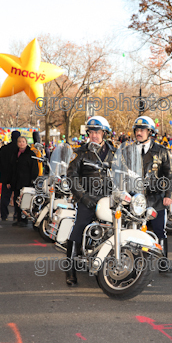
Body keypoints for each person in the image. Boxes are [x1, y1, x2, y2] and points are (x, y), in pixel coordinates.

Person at [65, 116, 116, 286]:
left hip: (110, 199)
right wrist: (82, 196)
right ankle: (70, 268)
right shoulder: (80, 153)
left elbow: (125, 174)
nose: (94, 135)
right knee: (79, 228)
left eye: (98, 132)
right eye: (91, 132)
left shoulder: (115, 153)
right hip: (88, 198)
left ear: (104, 133)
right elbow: (71, 176)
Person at [132, 116, 172, 273]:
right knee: (134, 230)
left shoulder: (161, 151)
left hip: (156, 198)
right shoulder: (129, 150)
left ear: (150, 132)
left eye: (142, 130)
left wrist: (168, 195)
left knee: (159, 231)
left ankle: (163, 262)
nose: (139, 132)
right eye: (137, 130)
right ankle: (136, 264)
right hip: (135, 199)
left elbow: (169, 175)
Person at [10, 136, 39, 227]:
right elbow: (12, 168)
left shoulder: (30, 154)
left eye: (23, 141)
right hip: (16, 181)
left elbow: (34, 168)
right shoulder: (15, 153)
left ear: (26, 143)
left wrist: (33, 180)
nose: (21, 143)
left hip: (26, 182)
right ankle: (18, 218)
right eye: (19, 142)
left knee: (25, 201)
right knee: (17, 200)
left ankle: (24, 219)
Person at [0, 130, 20, 221]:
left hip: (5, 176)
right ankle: (17, 214)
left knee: (5, 196)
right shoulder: (19, 149)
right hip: (17, 176)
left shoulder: (4, 148)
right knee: (18, 196)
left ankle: (4, 215)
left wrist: (3, 173)